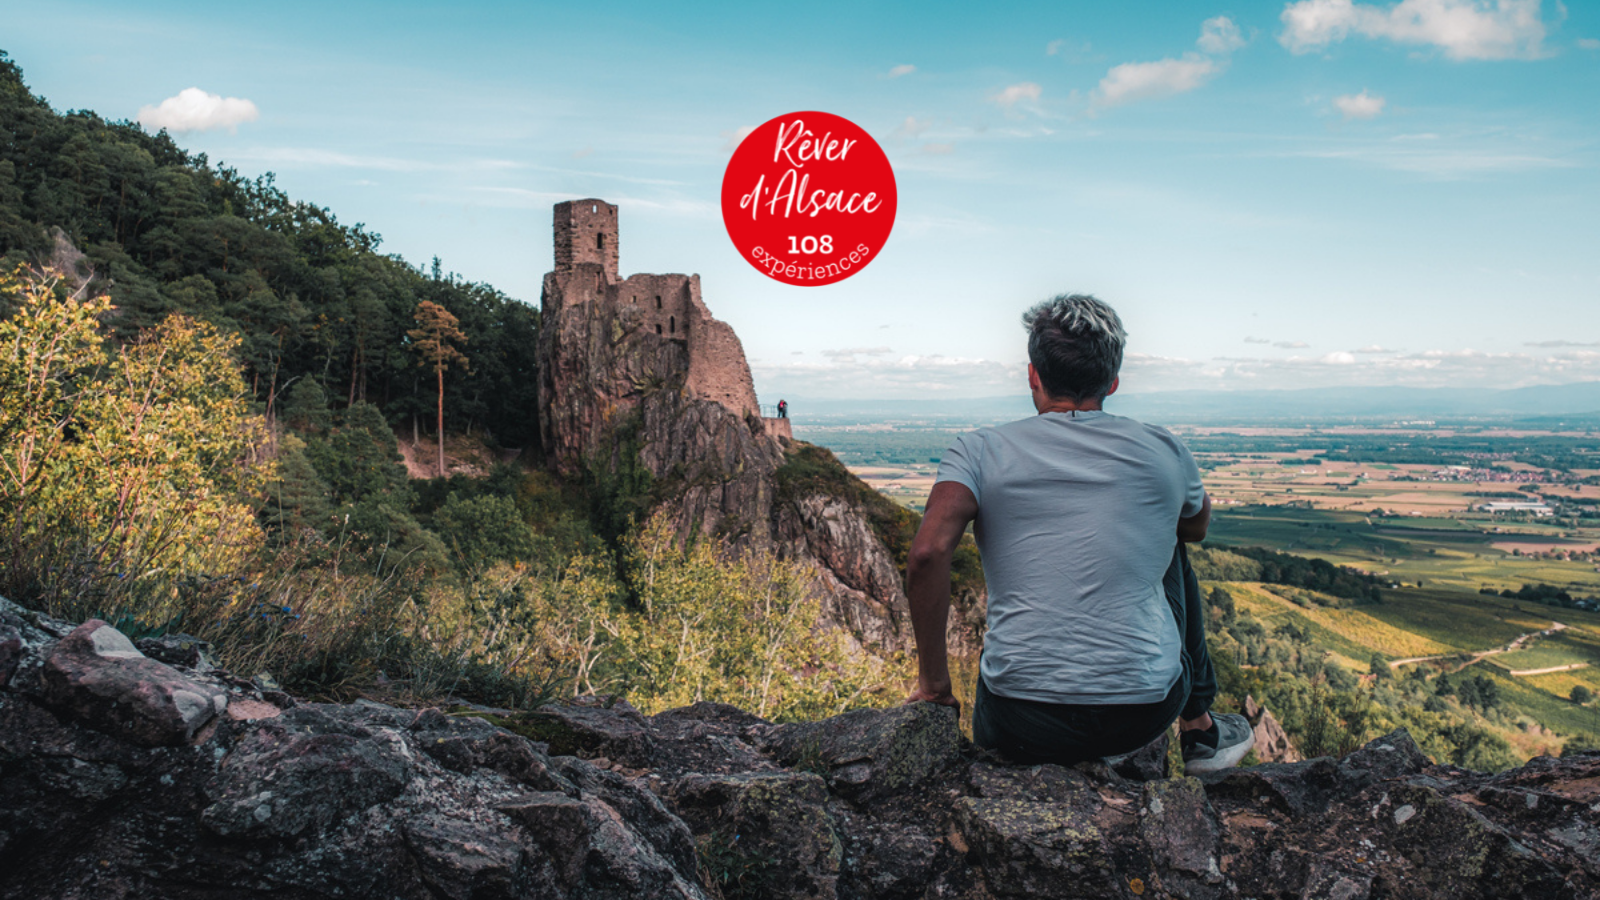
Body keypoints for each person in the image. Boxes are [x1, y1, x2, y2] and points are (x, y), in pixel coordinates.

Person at [904, 294, 1253, 773]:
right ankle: (1199, 729)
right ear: (1112, 382)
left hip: (1018, 719)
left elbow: (927, 552)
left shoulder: (978, 451)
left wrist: (935, 688)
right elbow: (1195, 528)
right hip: (1144, 709)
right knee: (1171, 541)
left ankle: (1193, 727)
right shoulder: (1164, 449)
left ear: (1033, 374)